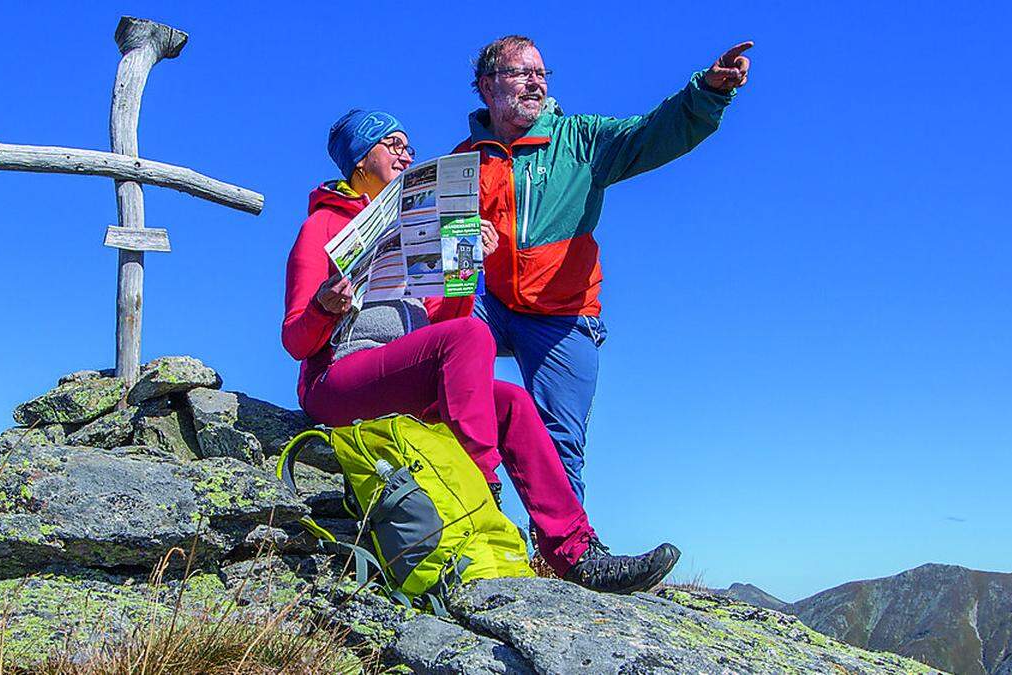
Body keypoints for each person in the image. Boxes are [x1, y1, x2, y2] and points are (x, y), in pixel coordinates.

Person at [282, 108, 680, 593]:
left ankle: (574, 553)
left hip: (400, 382)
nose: (408, 152)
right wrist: (325, 307)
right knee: (474, 337)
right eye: (394, 144)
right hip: (338, 383)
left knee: (511, 402)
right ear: (363, 160)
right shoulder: (321, 227)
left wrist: (470, 263)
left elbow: (447, 329)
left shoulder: (416, 225)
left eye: (409, 144)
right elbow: (295, 341)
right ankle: (480, 479)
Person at [455, 36, 754, 503]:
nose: (536, 82)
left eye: (542, 73)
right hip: (491, 305)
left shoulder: (582, 139)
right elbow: (436, 245)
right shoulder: (462, 162)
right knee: (436, 349)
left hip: (563, 315)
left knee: (560, 444)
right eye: (521, 73)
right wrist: (466, 244)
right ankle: (475, 506)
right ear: (487, 86)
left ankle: (561, 551)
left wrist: (708, 93)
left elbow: (653, 132)